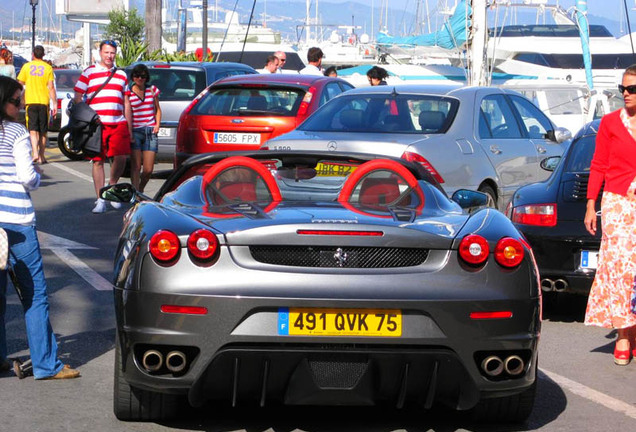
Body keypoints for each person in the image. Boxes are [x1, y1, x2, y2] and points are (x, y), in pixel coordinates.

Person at [0, 76, 80, 379]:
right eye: (16, 101)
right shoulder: (17, 132)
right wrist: (36, 176)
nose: (21, 106)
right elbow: (26, 177)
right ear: (4, 102)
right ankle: (47, 364)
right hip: (16, 224)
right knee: (34, 296)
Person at [583, 64, 636, 366]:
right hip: (616, 203)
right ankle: (623, 334)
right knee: (619, 269)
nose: (626, 94)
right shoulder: (609, 123)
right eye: (623, 89)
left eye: (632, 89)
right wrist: (591, 205)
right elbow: (599, 164)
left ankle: (633, 326)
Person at [74, 40, 131, 214]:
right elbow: (78, 96)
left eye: (112, 52)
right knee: (98, 161)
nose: (109, 56)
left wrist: (129, 126)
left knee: (121, 157)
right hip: (97, 125)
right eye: (106, 52)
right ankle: (100, 198)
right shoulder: (89, 72)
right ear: (100, 53)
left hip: (118, 121)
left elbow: (126, 101)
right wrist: (87, 116)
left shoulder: (121, 74)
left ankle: (111, 187)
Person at [17, 45, 57, 165]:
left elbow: (20, 83)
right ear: (43, 55)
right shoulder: (48, 68)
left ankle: (34, 153)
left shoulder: (26, 67)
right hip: (43, 102)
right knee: (43, 131)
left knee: (33, 130)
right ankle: (41, 156)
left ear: (33, 54)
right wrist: (54, 103)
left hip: (31, 101)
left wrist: (20, 100)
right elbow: (51, 87)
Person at [124, 64, 161, 193]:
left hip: (150, 131)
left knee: (148, 169)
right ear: (133, 77)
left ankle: (140, 188)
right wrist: (129, 132)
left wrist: (157, 125)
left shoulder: (152, 90)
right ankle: (136, 193)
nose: (140, 79)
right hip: (135, 131)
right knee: (136, 167)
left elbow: (157, 109)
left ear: (146, 78)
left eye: (143, 76)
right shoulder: (128, 92)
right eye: (137, 76)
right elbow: (126, 112)